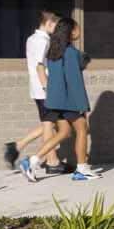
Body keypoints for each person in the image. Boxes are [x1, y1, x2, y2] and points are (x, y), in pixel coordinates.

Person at [40, 18, 99, 182]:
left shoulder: (53, 51)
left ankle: (32, 161)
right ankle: (81, 169)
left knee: (64, 132)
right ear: (71, 32)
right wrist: (82, 105)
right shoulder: (70, 53)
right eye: (78, 28)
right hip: (69, 100)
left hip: (56, 100)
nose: (80, 31)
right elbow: (74, 81)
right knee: (82, 130)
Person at [11, 8, 62, 181]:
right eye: (56, 25)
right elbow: (40, 65)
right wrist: (48, 89)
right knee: (50, 124)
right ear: (48, 23)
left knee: (50, 123)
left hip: (36, 88)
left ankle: (49, 160)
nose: (57, 29)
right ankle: (47, 162)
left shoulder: (31, 38)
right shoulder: (43, 40)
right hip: (44, 88)